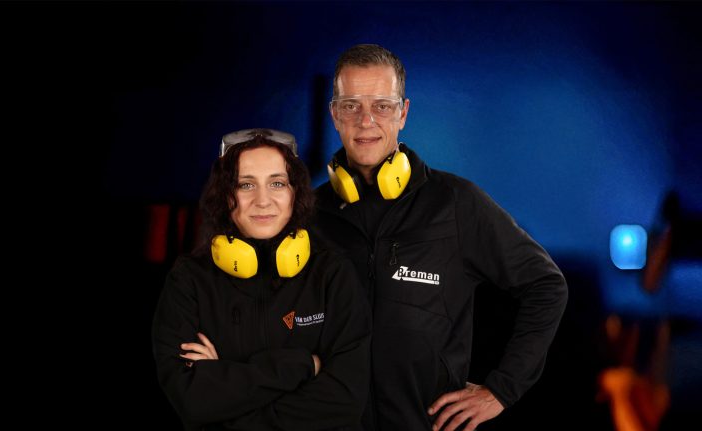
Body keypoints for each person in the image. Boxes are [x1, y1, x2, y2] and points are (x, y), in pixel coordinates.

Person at [313, 44, 569, 431]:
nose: (366, 121)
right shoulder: (308, 215)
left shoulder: (455, 203)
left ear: (403, 113)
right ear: (334, 114)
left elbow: (546, 285)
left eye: (382, 106)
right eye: (351, 106)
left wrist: (502, 390)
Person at [152, 128, 371, 430]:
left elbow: (345, 399)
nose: (263, 200)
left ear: (295, 193)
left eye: (277, 183)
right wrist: (303, 365)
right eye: (245, 185)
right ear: (225, 195)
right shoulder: (189, 279)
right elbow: (191, 399)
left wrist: (222, 384)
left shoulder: (332, 272)